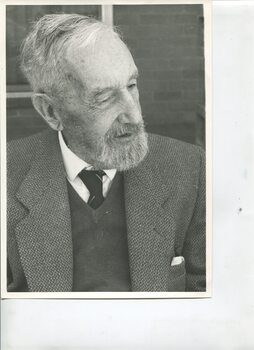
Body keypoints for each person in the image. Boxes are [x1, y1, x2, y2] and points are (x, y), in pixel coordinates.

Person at [7, 14, 206, 293]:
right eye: (103, 98)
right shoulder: (7, 177)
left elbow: (209, 305)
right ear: (50, 111)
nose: (134, 115)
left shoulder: (190, 168)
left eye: (131, 86)